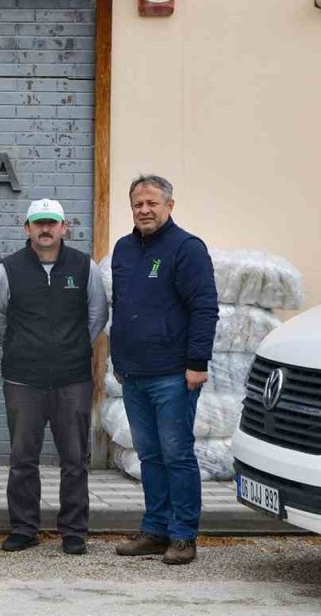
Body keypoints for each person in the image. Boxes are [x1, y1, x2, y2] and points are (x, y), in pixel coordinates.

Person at [111, 174, 218, 566]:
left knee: (176, 454)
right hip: (134, 375)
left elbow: (205, 308)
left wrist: (196, 363)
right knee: (149, 455)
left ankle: (184, 535)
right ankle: (155, 530)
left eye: (152, 203)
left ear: (170, 205)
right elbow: (120, 307)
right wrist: (119, 362)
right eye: (138, 204)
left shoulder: (186, 248)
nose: (144, 210)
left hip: (174, 374)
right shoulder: (123, 249)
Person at [0, 198, 108, 556]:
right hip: (22, 379)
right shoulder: (8, 268)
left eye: (52, 223)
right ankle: (24, 528)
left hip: (72, 378)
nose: (46, 229)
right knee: (22, 458)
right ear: (27, 228)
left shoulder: (83, 267)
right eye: (38, 223)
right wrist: (22, 348)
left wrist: (70, 347)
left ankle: (74, 531)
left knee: (75, 458)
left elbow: (97, 315)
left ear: (64, 227)